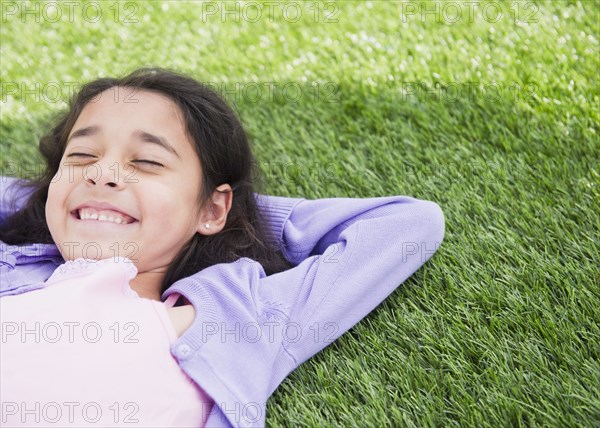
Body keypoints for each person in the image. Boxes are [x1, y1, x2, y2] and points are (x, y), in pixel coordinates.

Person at [0, 68, 445, 427]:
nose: (102, 172)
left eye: (148, 162)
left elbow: (408, 225)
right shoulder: (16, 276)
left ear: (214, 208)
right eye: (80, 157)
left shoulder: (234, 317)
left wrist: (225, 213)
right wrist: (49, 195)